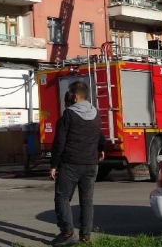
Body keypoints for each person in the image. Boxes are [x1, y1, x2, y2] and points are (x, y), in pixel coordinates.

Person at [50, 82, 106, 246]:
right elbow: (100, 137)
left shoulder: (68, 115)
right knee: (87, 201)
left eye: (69, 93)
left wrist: (54, 165)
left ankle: (67, 233)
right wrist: (101, 149)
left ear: (74, 96)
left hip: (71, 164)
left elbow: (59, 143)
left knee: (62, 197)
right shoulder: (95, 114)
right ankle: (85, 236)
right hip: (91, 165)